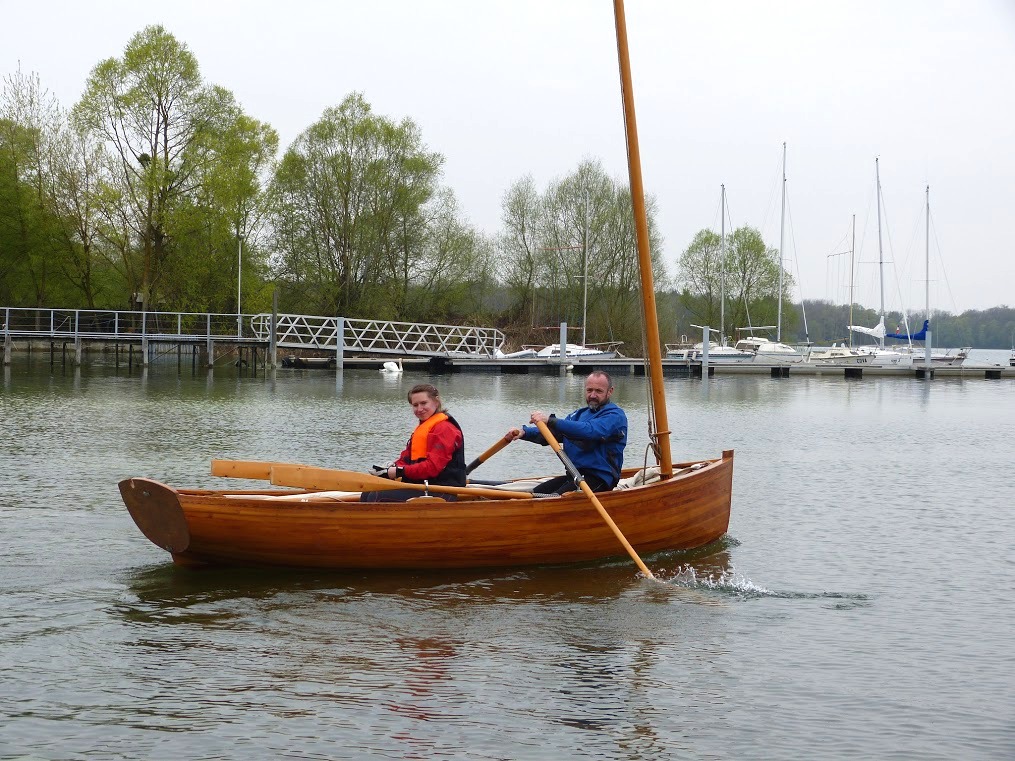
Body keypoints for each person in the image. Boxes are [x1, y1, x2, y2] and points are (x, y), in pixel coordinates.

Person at [504, 370, 627, 495]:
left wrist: (551, 420)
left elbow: (589, 431)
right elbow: (554, 432)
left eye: (598, 391)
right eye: (589, 390)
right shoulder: (578, 415)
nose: (593, 395)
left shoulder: (615, 416)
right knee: (534, 495)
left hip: (599, 480)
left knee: (549, 501)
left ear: (610, 391)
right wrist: (524, 432)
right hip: (574, 476)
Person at [363, 383, 466, 502]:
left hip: (443, 490)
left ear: (436, 402)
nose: (419, 409)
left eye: (423, 403)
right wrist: (390, 468)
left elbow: (432, 467)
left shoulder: (444, 429)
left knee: (375, 497)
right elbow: (406, 458)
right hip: (423, 486)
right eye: (415, 405)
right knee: (366, 494)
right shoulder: (424, 428)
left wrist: (399, 471)